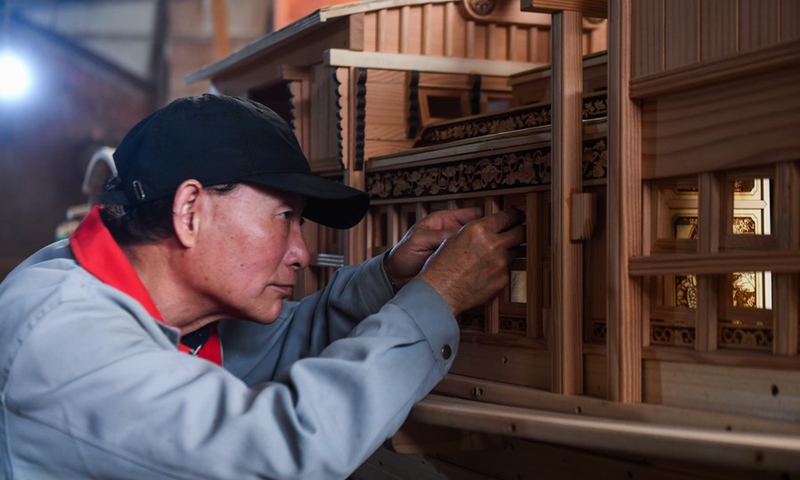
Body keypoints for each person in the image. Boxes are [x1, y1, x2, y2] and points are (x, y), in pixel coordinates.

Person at [0, 94, 525, 479]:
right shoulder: (67, 337)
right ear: (190, 211)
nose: (299, 252)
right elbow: (282, 448)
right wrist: (440, 296)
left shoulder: (134, 291)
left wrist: (390, 277)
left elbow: (263, 350)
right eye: (284, 217)